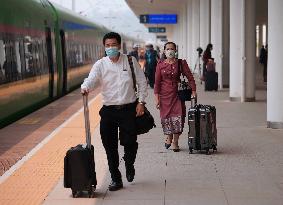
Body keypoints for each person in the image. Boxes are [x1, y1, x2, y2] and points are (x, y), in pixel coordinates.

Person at [81, 32, 148, 191]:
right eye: (107, 45)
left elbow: (142, 82)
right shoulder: (100, 64)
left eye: (113, 45)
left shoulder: (131, 61)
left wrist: (141, 102)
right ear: (104, 47)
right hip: (109, 111)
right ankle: (116, 178)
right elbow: (91, 79)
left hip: (128, 109)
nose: (110, 48)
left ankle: (129, 165)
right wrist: (85, 87)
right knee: (110, 147)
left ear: (119, 45)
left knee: (130, 142)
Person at [154, 42, 196, 152]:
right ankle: (169, 136)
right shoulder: (160, 64)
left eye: (172, 49)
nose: (170, 51)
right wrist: (156, 98)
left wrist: (194, 90)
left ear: (175, 51)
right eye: (168, 49)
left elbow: (190, 78)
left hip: (178, 95)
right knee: (167, 118)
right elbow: (157, 83)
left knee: (178, 117)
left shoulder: (181, 63)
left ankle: (175, 142)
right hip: (164, 96)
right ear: (164, 51)